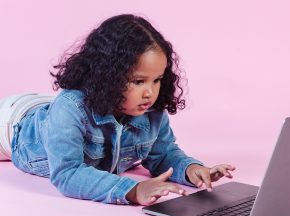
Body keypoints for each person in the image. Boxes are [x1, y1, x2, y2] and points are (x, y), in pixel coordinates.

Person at [0, 14, 235, 206]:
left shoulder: (151, 112)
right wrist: (133, 190)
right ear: (108, 76)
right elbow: (67, 174)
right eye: (138, 81)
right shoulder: (70, 108)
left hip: (51, 112)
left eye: (157, 80)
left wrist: (192, 170)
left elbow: (164, 154)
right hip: (12, 124)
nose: (150, 93)